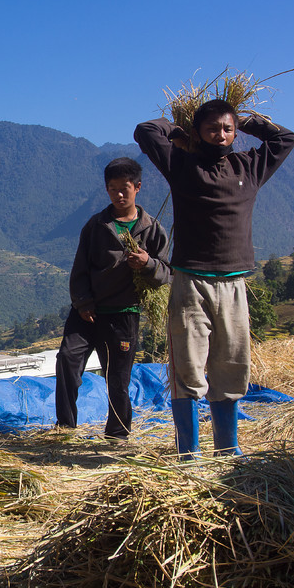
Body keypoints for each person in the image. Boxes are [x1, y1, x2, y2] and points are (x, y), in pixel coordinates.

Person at [134, 99, 294, 459]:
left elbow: (286, 138)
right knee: (188, 369)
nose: (221, 135)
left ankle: (228, 449)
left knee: (231, 367)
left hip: (234, 284)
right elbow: (145, 131)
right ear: (198, 134)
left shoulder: (249, 166)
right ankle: (188, 455)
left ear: (235, 132)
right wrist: (175, 128)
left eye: (227, 128)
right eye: (212, 129)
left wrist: (252, 121)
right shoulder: (182, 165)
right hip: (190, 282)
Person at [55, 157, 171, 438]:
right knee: (67, 361)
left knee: (117, 380)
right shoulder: (96, 226)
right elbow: (80, 270)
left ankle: (117, 435)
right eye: (112, 189)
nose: (119, 194)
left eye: (125, 188)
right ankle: (64, 428)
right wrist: (82, 303)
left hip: (124, 314)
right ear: (106, 190)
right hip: (87, 312)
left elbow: (167, 273)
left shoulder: (151, 229)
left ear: (138, 187)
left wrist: (147, 264)